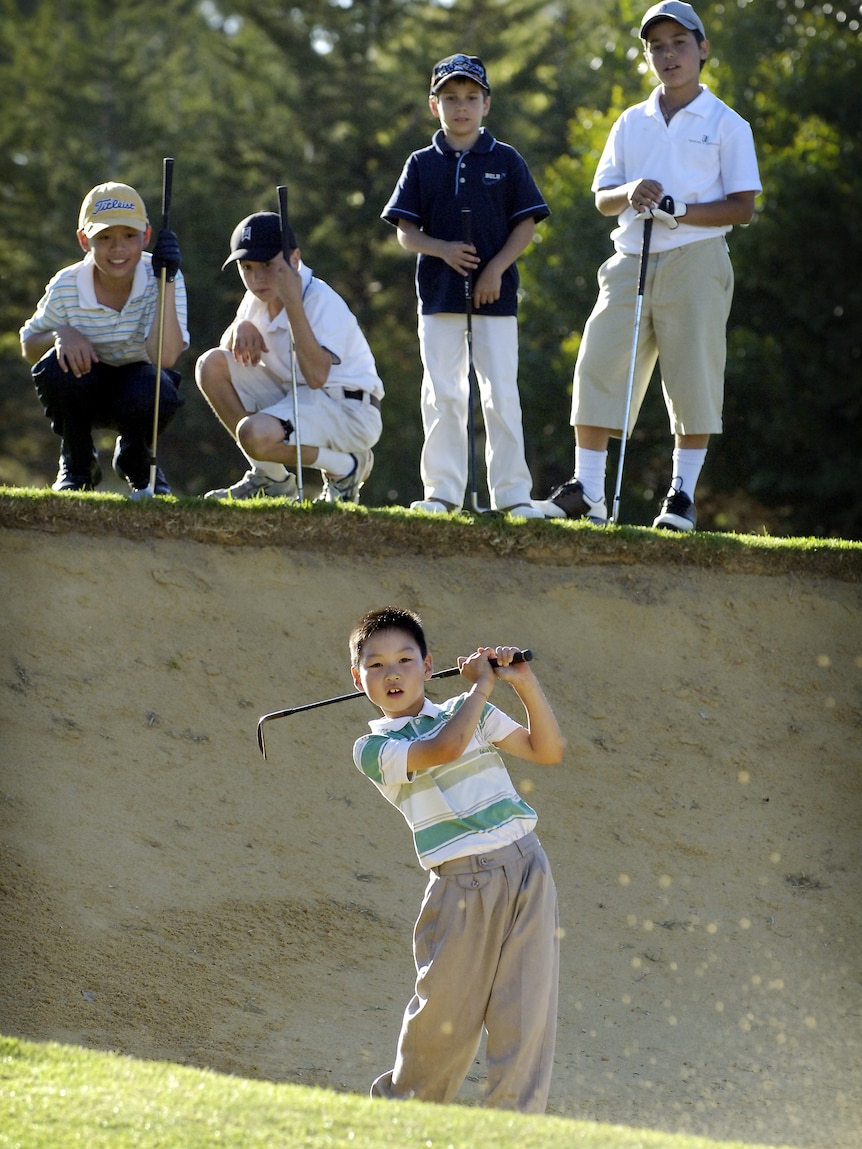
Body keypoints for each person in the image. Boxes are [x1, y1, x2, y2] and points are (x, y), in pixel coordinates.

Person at [546, 1, 761, 530]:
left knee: (692, 377)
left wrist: (681, 210)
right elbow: (602, 197)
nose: (669, 55)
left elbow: (743, 206)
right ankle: (590, 491)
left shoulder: (727, 124)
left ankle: (681, 497)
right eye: (657, 47)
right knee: (597, 362)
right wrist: (629, 192)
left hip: (698, 257)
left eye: (679, 44)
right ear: (647, 55)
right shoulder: (630, 120)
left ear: (702, 49)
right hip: (630, 256)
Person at [349, 605, 564, 1113]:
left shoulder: (471, 712)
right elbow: (445, 748)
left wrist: (523, 682)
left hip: (528, 870)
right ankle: (398, 1127)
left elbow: (547, 750)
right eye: (376, 665)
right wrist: (482, 688)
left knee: (525, 1019)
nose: (392, 672)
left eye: (405, 659)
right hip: (459, 889)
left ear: (428, 666)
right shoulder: (373, 747)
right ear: (358, 680)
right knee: (442, 1030)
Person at [381, 54, 553, 518]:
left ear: (486, 104)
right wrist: (443, 250)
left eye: (471, 98)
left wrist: (495, 270)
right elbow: (405, 231)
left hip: (496, 296)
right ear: (434, 105)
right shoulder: (421, 163)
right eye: (451, 98)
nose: (462, 107)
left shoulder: (506, 159)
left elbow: (527, 226)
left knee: (501, 391)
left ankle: (513, 495)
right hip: (438, 297)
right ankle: (442, 493)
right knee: (443, 393)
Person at [196, 212, 383, 503]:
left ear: (294, 260)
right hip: (299, 398)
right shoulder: (257, 296)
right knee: (210, 365)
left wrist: (293, 302)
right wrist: (239, 328)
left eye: (267, 265)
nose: (257, 278)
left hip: (349, 411)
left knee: (254, 434)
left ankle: (346, 467)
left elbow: (316, 376)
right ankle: (270, 478)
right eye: (247, 267)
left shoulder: (321, 299)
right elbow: (228, 356)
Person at [20, 181, 188, 493]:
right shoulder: (66, 284)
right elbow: (30, 346)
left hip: (137, 392)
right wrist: (62, 333)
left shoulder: (165, 277)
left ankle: (136, 458)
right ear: (85, 240)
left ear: (147, 236)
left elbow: (164, 358)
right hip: (84, 388)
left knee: (158, 388)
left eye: (129, 236)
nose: (118, 248)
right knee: (54, 369)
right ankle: (78, 462)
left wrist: (167, 282)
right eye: (104, 237)